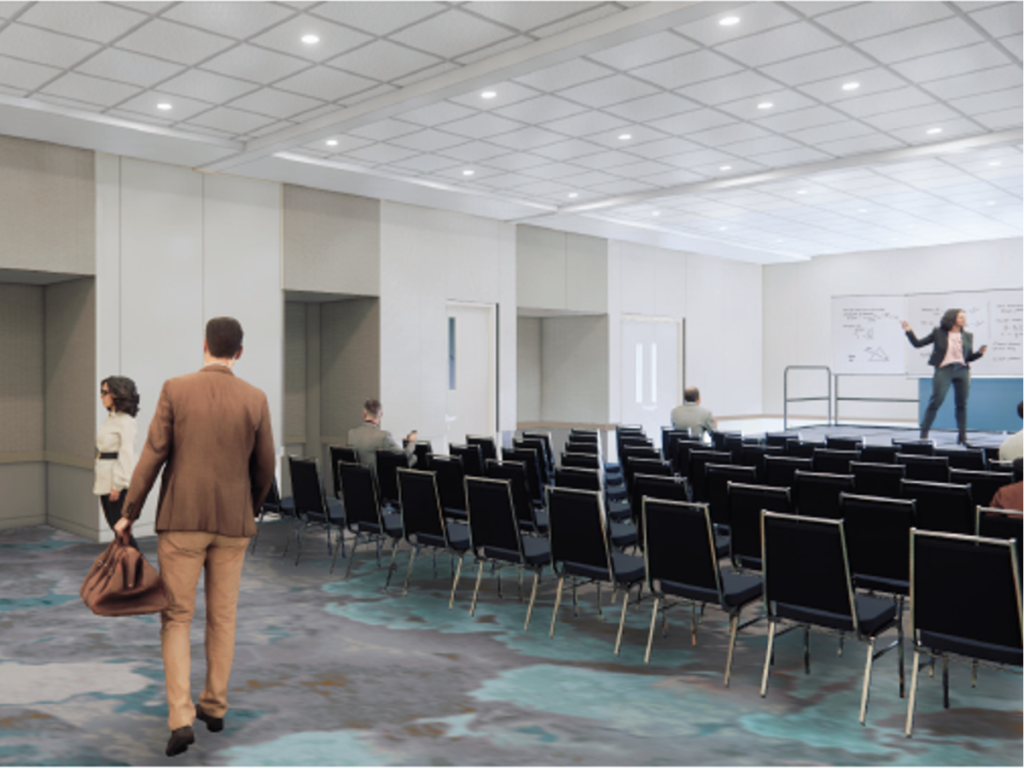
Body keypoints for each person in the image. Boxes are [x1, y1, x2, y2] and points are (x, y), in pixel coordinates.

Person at [115, 318, 275, 758]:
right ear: (239, 353)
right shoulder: (256, 398)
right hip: (233, 524)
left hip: (182, 521)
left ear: (203, 345)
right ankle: (216, 705)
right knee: (223, 616)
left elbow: (152, 455)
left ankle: (181, 718)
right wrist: (251, 506)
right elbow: (265, 468)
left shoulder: (175, 389)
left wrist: (129, 513)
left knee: (177, 617)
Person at [902, 309, 986, 444]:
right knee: (936, 401)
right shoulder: (938, 333)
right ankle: (924, 434)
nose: (964, 320)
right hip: (944, 369)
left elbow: (968, 357)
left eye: (964, 317)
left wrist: (979, 353)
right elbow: (918, 344)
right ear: (952, 319)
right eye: (960, 317)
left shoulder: (969, 336)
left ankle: (962, 437)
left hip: (962, 370)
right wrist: (908, 331)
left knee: (962, 405)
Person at [94, 376, 140, 550]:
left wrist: (118, 485)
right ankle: (129, 572)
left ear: (118, 394)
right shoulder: (112, 418)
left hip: (116, 483)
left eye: (105, 392)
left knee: (122, 531)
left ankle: (140, 572)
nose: (101, 396)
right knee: (117, 530)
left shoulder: (126, 422)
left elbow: (126, 455)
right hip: (105, 480)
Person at [347, 398, 417, 471]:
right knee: (413, 458)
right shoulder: (384, 436)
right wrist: (412, 441)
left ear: (364, 415)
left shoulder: (352, 433)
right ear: (380, 415)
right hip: (379, 480)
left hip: (357, 480)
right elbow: (405, 455)